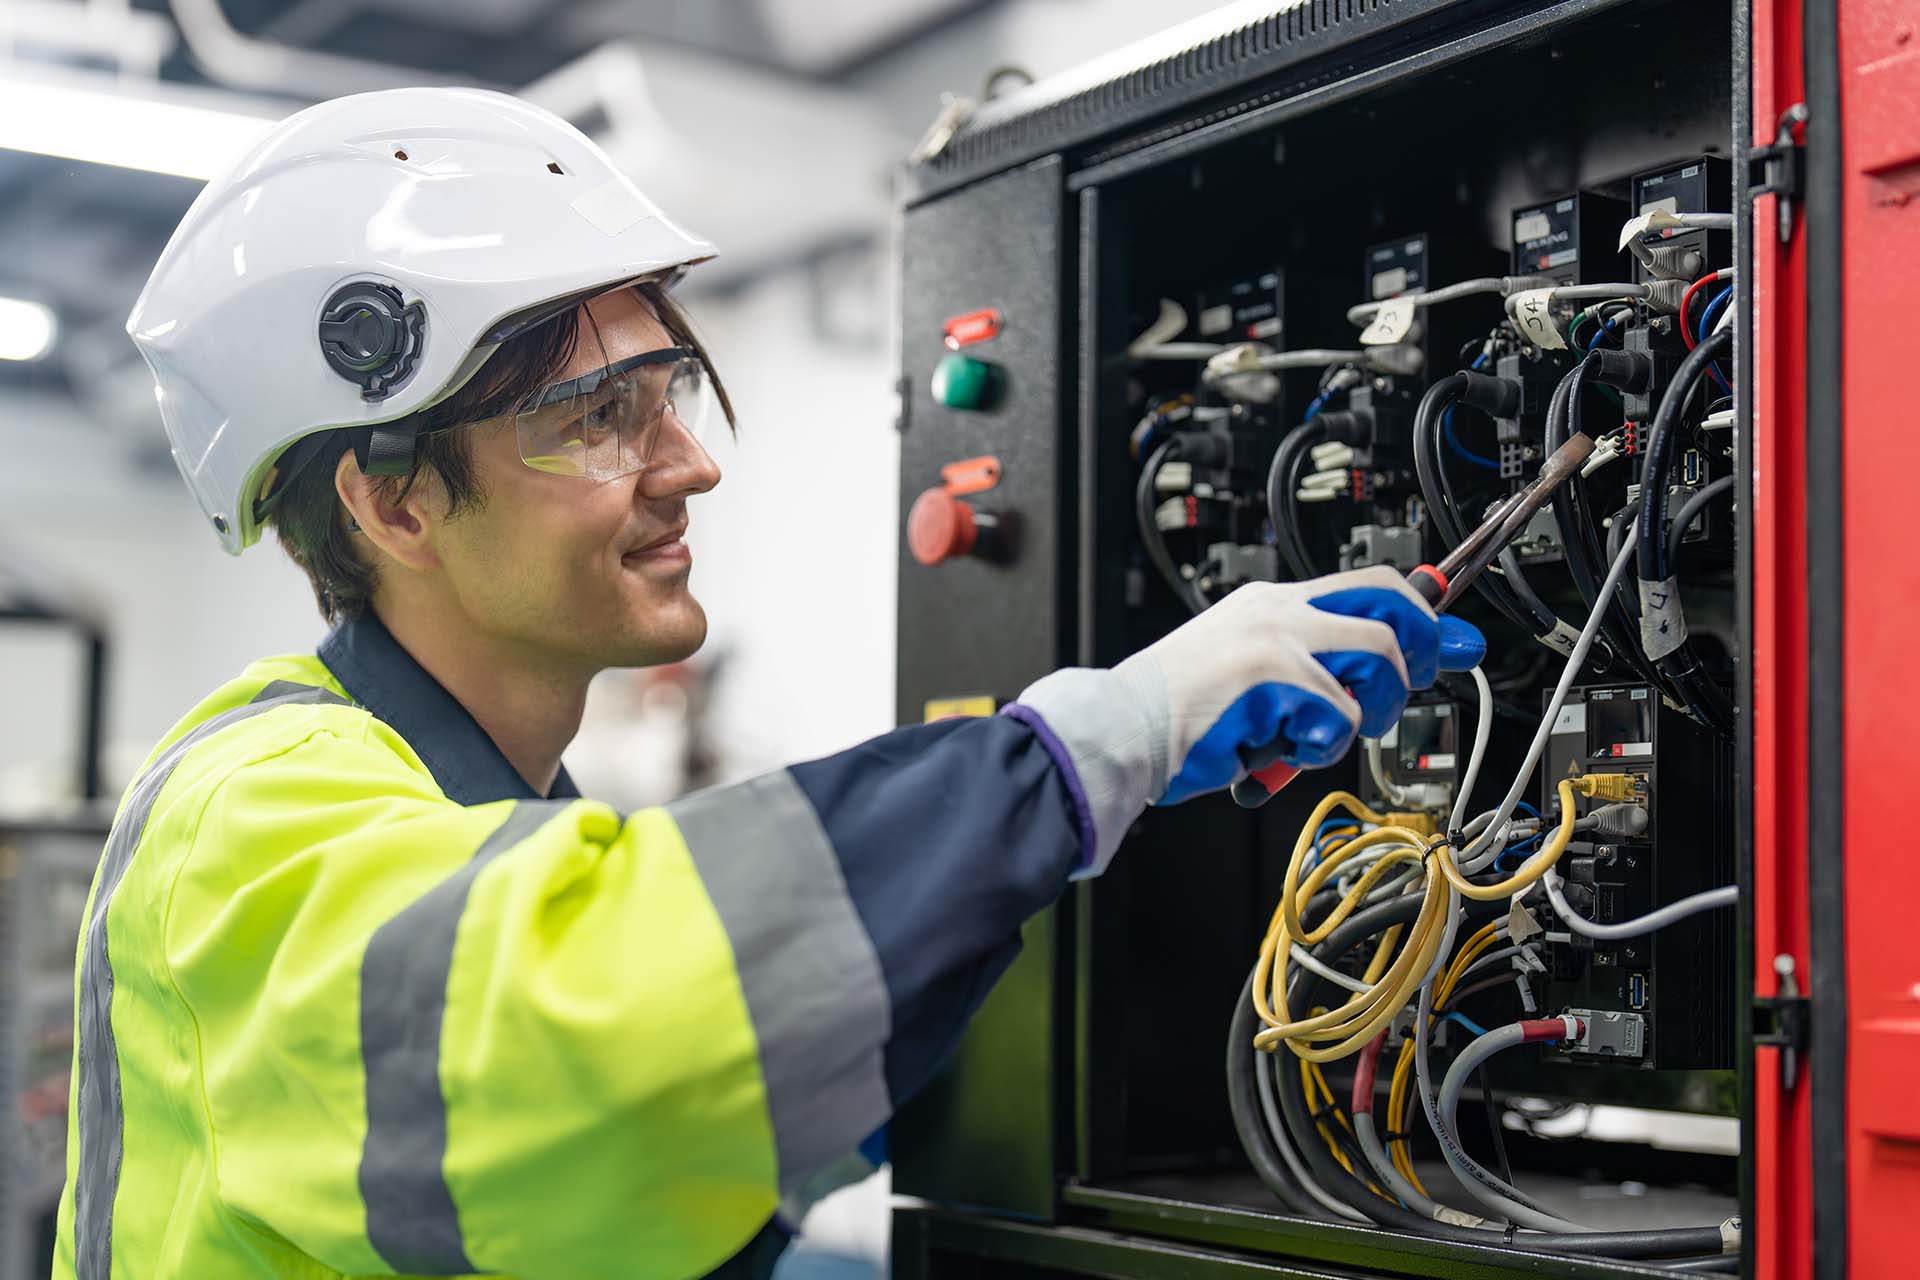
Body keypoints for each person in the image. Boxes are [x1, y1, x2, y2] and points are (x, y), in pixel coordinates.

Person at [54, 88, 1483, 1280]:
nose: (688, 463)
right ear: (396, 504)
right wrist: (1094, 740)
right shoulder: (237, 814)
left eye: (667, 388)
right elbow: (613, 1026)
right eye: (594, 417)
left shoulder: (470, 800)